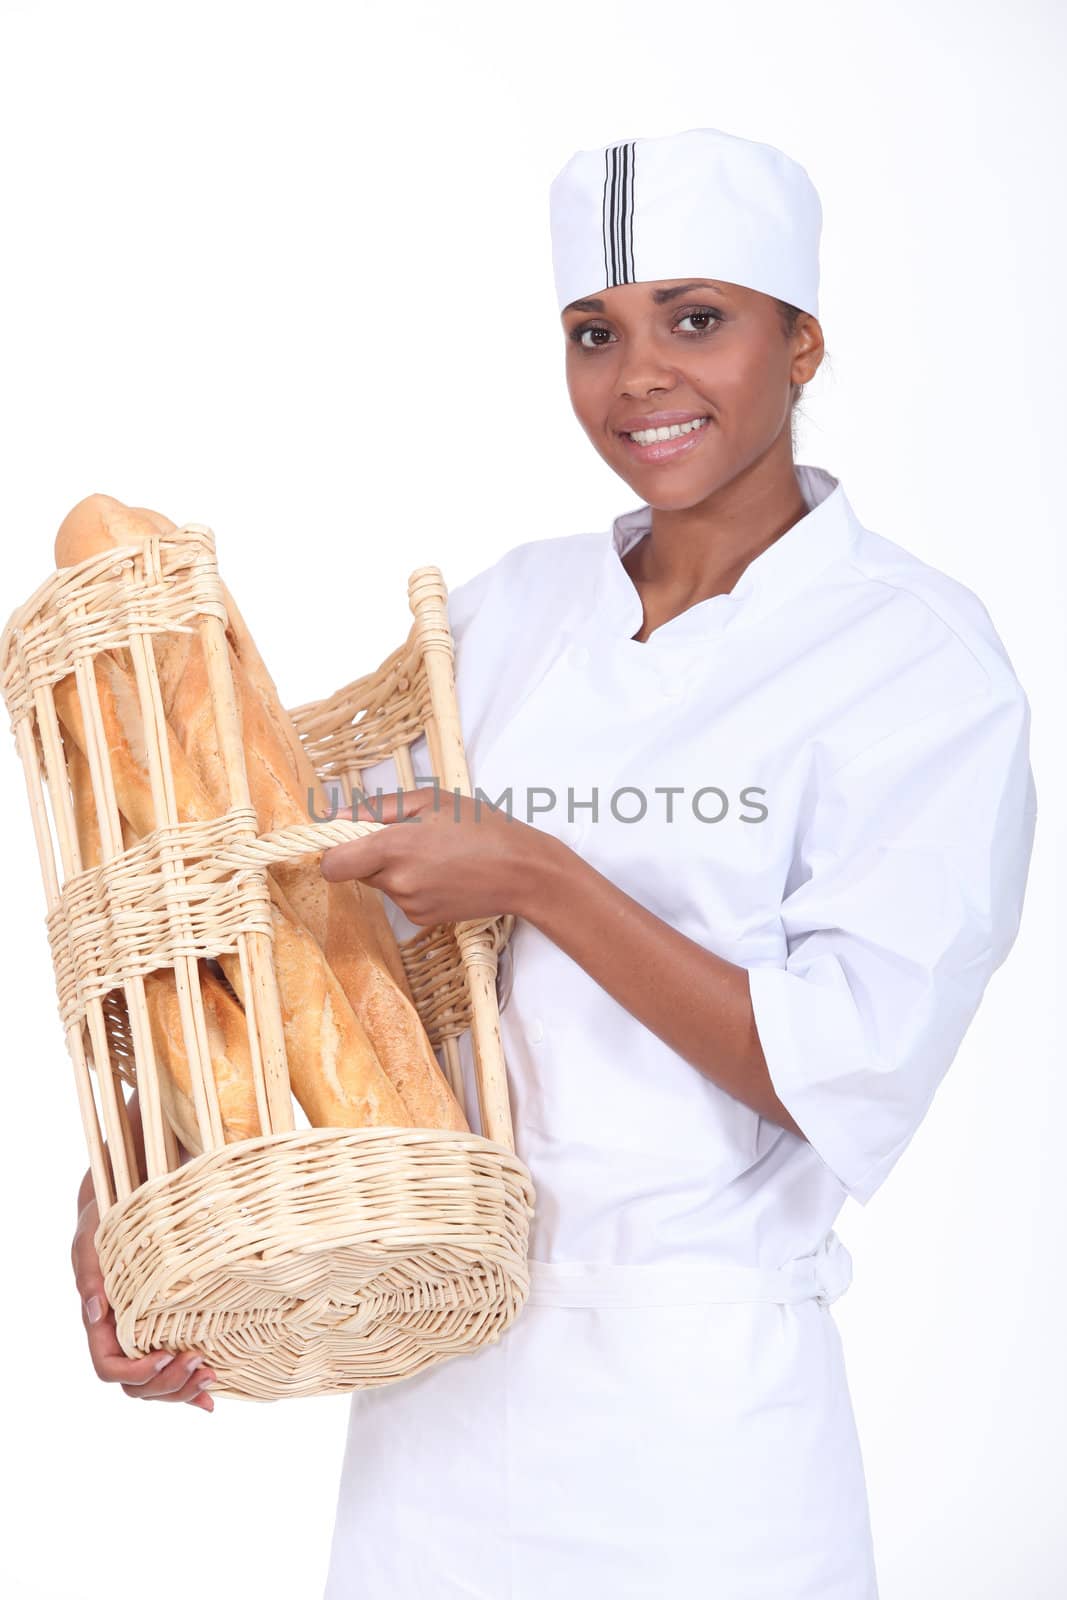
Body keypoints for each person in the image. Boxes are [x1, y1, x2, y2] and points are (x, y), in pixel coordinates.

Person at [72, 126, 1038, 1597]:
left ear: (804, 344)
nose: (640, 374)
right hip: (444, 1384)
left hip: (701, 1424)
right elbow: (289, 922)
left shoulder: (911, 662)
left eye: (697, 321)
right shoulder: (515, 611)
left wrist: (540, 879)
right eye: (597, 334)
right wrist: (135, 1200)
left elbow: (844, 1064)